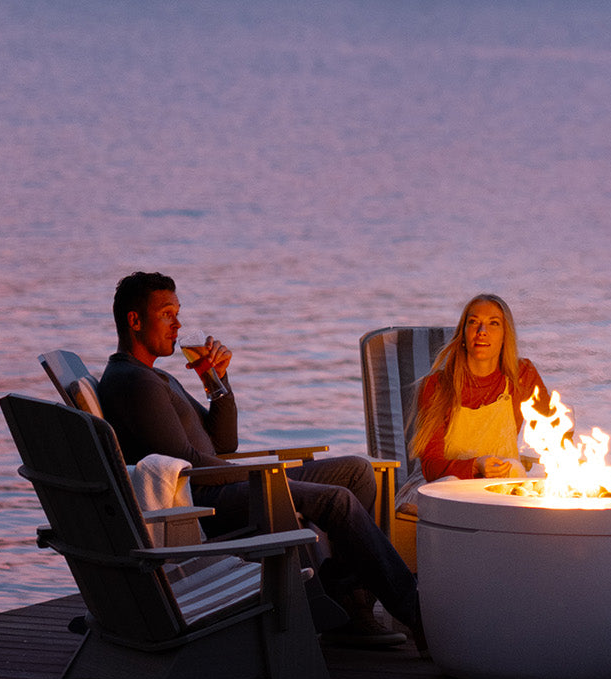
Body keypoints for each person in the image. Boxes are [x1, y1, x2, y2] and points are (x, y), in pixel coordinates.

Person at [96, 271, 422, 649]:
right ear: (135, 321)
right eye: (167, 314)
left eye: (178, 313)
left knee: (357, 472)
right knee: (337, 500)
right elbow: (189, 466)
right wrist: (265, 477)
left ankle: (346, 600)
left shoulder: (155, 378)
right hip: (205, 503)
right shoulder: (134, 383)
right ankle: (417, 613)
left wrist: (217, 382)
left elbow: (223, 442)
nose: (178, 325)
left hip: (226, 485)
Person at [398, 293, 549, 507]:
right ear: (463, 334)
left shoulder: (522, 376)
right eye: (474, 322)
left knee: (514, 469)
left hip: (498, 490)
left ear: (505, 335)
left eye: (493, 323)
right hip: (438, 488)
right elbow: (431, 467)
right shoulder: (438, 386)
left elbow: (555, 431)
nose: (482, 331)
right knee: (453, 487)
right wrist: (476, 465)